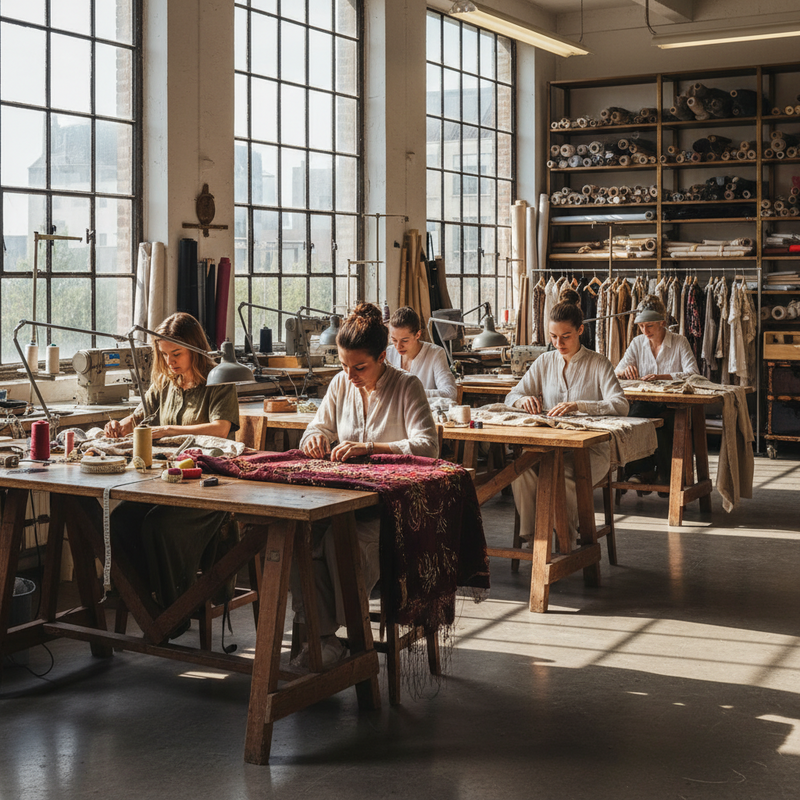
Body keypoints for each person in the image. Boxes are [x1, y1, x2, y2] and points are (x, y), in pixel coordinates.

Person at [293, 303, 439, 667]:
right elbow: (318, 426)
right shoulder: (341, 384)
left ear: (382, 356)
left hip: (388, 512)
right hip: (343, 499)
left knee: (340, 544)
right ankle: (324, 640)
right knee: (302, 539)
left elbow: (427, 446)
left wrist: (371, 448)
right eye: (344, 366)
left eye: (360, 366)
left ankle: (346, 639)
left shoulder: (407, 386)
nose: (350, 374)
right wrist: (312, 438)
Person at [101, 312, 241, 630]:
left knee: (160, 527)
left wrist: (166, 430)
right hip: (167, 484)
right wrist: (118, 426)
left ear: (195, 348)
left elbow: (221, 429)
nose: (170, 361)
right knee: (118, 521)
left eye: (176, 353)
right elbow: (138, 416)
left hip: (209, 491)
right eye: (164, 354)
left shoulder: (219, 379)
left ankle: (173, 612)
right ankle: (147, 601)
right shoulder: (166, 383)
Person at [505, 298, 628, 545]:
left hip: (591, 451)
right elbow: (511, 395)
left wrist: (579, 405)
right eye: (553, 336)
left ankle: (565, 541)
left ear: (580, 330)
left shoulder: (598, 363)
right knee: (522, 472)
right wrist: (523, 400)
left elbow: (620, 405)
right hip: (551, 446)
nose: (558, 343)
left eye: (566, 336)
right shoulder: (544, 362)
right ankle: (535, 539)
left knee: (564, 477)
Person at [615, 295, 700, 488]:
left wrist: (662, 376)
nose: (645, 331)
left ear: (662, 322)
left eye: (650, 326)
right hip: (646, 402)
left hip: (674, 403)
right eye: (641, 326)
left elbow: (693, 373)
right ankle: (642, 472)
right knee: (633, 420)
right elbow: (616, 371)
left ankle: (666, 478)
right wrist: (624, 371)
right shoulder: (637, 343)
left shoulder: (679, 342)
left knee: (665, 426)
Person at [386, 306, 458, 400]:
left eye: (405, 340)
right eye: (394, 340)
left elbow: (450, 393)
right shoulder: (388, 354)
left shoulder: (435, 353)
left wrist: (410, 392)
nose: (398, 346)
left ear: (418, 335)